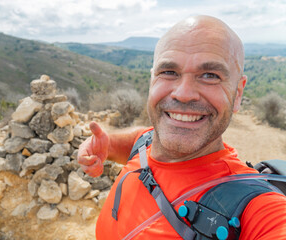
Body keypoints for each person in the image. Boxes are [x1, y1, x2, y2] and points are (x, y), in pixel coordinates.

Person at [78, 15, 286, 239]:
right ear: (152, 81)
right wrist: (106, 146)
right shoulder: (147, 142)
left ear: (238, 93)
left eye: (210, 75)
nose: (183, 94)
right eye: (169, 72)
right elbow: (139, 139)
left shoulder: (260, 210)